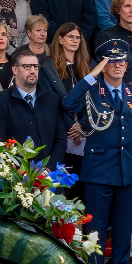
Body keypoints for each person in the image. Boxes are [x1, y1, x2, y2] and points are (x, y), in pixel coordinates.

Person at [61, 39, 132, 264]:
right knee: (95, 233)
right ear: (103, 64)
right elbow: (67, 104)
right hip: (98, 172)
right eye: (112, 61)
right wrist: (91, 75)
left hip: (128, 172)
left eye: (122, 61)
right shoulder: (91, 90)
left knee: (122, 233)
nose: (119, 65)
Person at [0, 49, 68, 164]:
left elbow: (61, 139)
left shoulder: (52, 99)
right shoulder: (0, 101)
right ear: (15, 69)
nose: (33, 71)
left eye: (35, 66)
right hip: (17, 175)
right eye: (27, 67)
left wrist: (48, 169)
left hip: (50, 175)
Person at [50, 21, 91, 174]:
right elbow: (54, 102)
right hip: (61, 131)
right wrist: (71, 126)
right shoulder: (51, 68)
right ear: (60, 39)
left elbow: (94, 101)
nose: (75, 40)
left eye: (78, 37)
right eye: (70, 37)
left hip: (85, 131)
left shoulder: (88, 66)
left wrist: (82, 125)